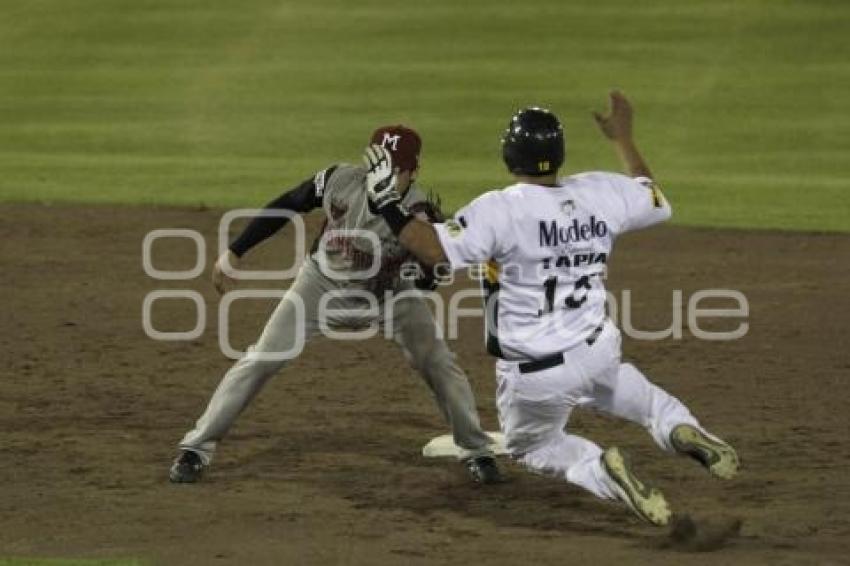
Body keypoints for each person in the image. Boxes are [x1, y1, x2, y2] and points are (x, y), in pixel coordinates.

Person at [362, 92, 740, 526]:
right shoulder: (600, 191)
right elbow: (654, 198)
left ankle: (602, 469)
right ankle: (681, 430)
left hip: (536, 374)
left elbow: (432, 250)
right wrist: (623, 139)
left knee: (534, 446)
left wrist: (385, 205)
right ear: (558, 154)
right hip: (597, 349)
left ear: (510, 156)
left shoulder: (499, 209)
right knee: (647, 400)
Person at [169, 125, 502, 485]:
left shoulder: (418, 213)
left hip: (389, 293)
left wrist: (423, 272)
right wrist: (236, 250)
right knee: (262, 358)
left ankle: (476, 451)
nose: (385, 176)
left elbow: (432, 276)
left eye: (396, 170)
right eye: (380, 165)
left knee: (438, 361)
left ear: (414, 172)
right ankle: (196, 449)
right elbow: (290, 203)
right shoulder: (338, 180)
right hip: (321, 285)